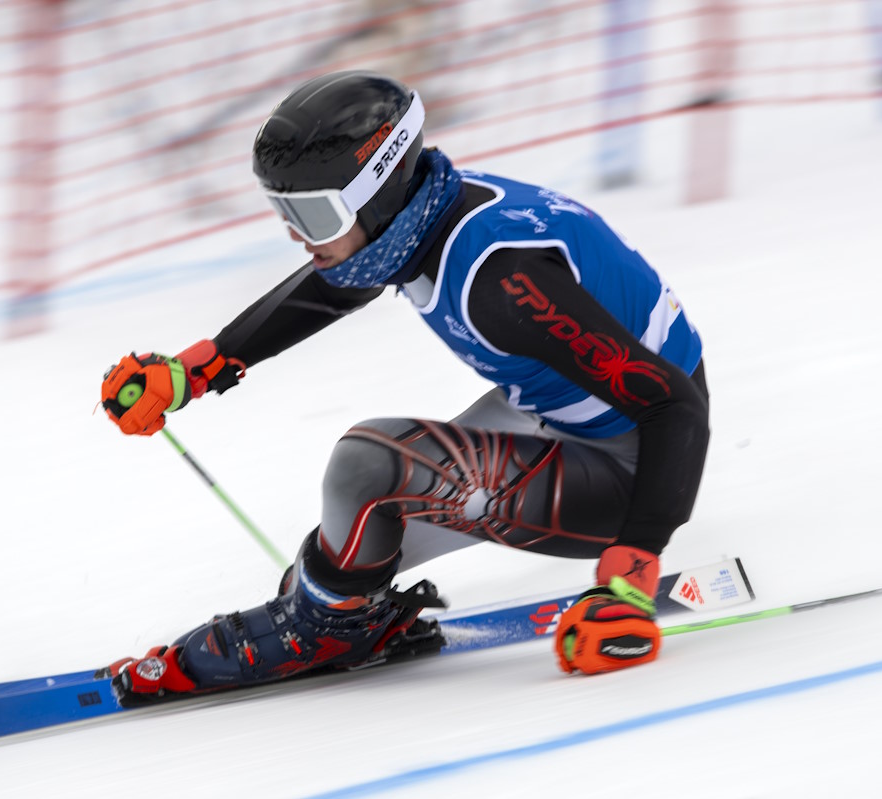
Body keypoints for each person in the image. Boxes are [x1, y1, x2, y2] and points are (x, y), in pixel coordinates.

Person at [100, 70, 709, 702]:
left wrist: (630, 576)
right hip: (573, 416)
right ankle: (342, 620)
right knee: (323, 573)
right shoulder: (431, 216)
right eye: (284, 210)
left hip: (634, 463)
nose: (294, 233)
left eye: (311, 212)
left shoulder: (501, 283)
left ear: (376, 194)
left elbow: (675, 408)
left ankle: (332, 631)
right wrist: (203, 365)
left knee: (365, 468)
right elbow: (338, 285)